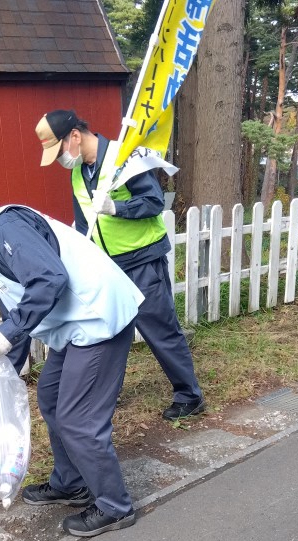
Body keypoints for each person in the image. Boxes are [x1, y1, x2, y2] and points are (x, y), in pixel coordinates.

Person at [0, 193, 143, 537]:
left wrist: (7, 334)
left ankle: (115, 507)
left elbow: (49, 278)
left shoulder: (6, 228)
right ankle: (71, 483)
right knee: (50, 398)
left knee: (78, 418)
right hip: (74, 328)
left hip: (99, 320)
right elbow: (16, 315)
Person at [35, 109, 206, 421]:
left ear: (75, 136)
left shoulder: (123, 157)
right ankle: (104, 396)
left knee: (160, 329)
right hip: (107, 265)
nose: (60, 160)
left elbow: (154, 201)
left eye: (59, 151)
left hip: (142, 259)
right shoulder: (78, 173)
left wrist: (117, 207)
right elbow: (84, 225)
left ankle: (189, 395)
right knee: (108, 333)